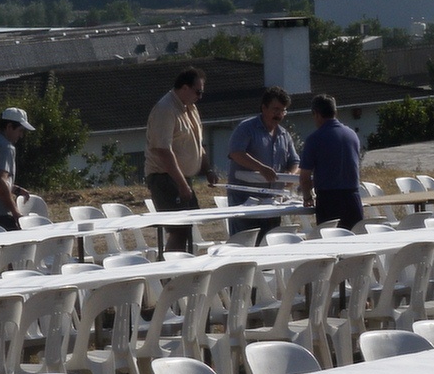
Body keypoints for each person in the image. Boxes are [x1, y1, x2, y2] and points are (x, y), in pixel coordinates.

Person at [144, 66, 219, 253]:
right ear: (184, 88)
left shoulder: (191, 108)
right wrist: (182, 184)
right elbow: (163, 150)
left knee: (187, 226)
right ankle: (169, 269)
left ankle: (182, 266)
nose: (200, 97)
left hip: (182, 179)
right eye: (198, 92)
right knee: (178, 229)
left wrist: (208, 169)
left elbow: (197, 143)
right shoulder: (165, 109)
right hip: (164, 178)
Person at [226, 86, 300, 244]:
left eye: (283, 111)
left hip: (272, 202)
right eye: (275, 109)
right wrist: (261, 168)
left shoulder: (283, 134)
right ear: (264, 108)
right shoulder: (246, 128)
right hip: (245, 201)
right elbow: (236, 153)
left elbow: (295, 162)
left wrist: (290, 175)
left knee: (268, 243)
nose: (279, 114)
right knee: (245, 244)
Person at [298, 93, 364, 230]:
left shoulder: (315, 139)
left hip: (329, 200)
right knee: (355, 237)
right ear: (335, 112)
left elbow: (304, 177)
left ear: (316, 114)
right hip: (353, 197)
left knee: (331, 239)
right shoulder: (352, 135)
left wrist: (307, 197)